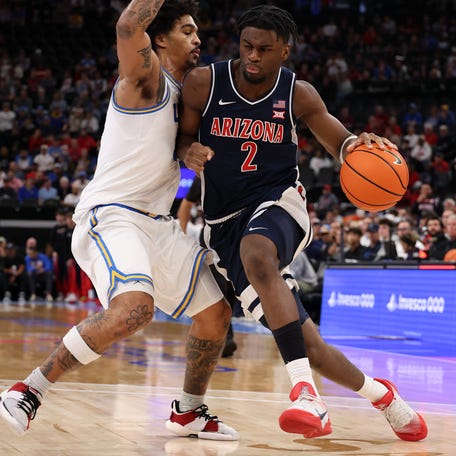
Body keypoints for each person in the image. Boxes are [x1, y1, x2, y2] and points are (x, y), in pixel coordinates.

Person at [176, 5, 427, 441]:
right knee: (308, 342)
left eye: (264, 49)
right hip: (222, 222)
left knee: (257, 251)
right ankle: (384, 396)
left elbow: (337, 138)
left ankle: (305, 394)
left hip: (278, 202)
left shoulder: (298, 93)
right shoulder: (204, 83)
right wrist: (186, 152)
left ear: (285, 52)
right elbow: (182, 135)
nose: (253, 56)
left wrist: (355, 145)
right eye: (247, 47)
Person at [0, 0, 238, 442]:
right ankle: (27, 390)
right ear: (160, 38)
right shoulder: (145, 80)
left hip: (158, 224)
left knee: (216, 312)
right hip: (113, 214)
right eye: (187, 30)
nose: (198, 39)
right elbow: (129, 23)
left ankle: (188, 412)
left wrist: (186, 152)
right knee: (135, 311)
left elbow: (177, 148)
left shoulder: (186, 101)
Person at [177, 176, 238, 357]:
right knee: (219, 289)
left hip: (237, 239)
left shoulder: (239, 172)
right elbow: (185, 205)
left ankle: (224, 336)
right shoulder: (204, 176)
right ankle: (224, 338)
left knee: (234, 291)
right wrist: (182, 237)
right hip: (212, 241)